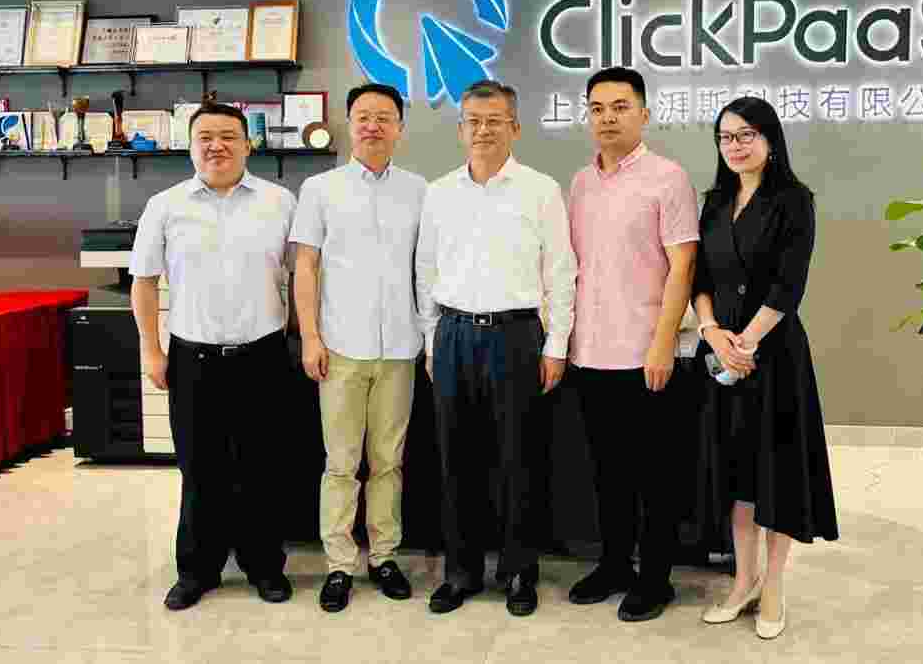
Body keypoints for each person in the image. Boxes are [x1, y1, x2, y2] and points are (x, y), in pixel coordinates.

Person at [415, 79, 577, 617]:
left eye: (494, 121)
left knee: (519, 459)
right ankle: (460, 572)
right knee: (456, 459)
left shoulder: (541, 190)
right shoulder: (439, 193)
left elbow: (560, 271)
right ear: (460, 129)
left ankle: (519, 571)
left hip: (517, 335)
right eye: (473, 121)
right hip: (453, 335)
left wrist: (556, 345)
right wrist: (431, 341)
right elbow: (426, 271)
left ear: (515, 128)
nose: (483, 130)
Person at [130, 103, 297, 610]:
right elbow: (143, 282)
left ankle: (264, 566)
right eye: (205, 137)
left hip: (263, 355)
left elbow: (304, 274)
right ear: (190, 146)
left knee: (262, 468)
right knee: (199, 469)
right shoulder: (165, 205)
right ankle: (197, 571)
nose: (216, 145)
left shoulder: (279, 201)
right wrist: (151, 349)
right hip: (192, 358)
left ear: (248, 145)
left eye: (228, 136)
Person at [694, 96, 838, 639]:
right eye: (726, 137)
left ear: (770, 139)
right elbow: (700, 281)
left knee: (777, 475)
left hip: (774, 357)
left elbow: (788, 285)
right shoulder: (714, 203)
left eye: (745, 135)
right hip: (722, 354)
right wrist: (713, 333)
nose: (734, 146)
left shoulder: (794, 201)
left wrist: (747, 343)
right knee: (737, 476)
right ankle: (743, 581)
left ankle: (773, 585)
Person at [567, 66, 699, 622]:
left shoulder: (668, 178)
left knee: (655, 476)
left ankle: (656, 578)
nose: (608, 118)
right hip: (591, 351)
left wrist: (663, 344)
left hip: (648, 354)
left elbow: (683, 265)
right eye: (597, 108)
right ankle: (615, 564)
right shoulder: (580, 183)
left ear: (644, 114)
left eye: (620, 107)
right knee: (608, 472)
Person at [291, 83, 426, 612]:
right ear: (350, 124)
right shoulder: (320, 189)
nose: (373, 125)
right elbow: (306, 266)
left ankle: (384, 556)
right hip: (341, 347)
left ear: (400, 128)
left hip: (400, 348)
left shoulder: (419, 190)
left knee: (388, 461)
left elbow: (427, 267)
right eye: (364, 116)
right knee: (341, 463)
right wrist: (310, 336)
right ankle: (340, 564)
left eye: (384, 117)